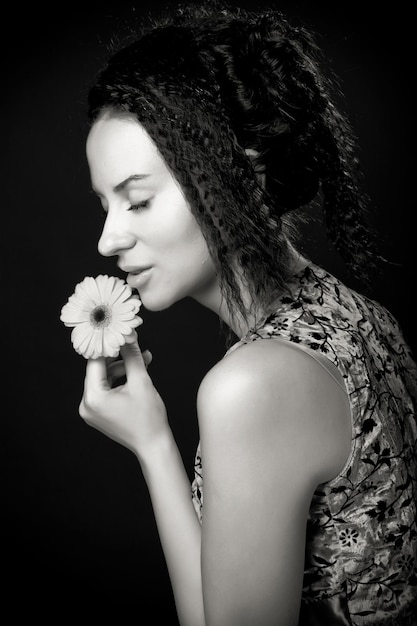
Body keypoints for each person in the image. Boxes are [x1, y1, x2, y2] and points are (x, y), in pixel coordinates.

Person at [77, 1, 417, 624]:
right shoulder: (363, 318)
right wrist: (152, 435)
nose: (108, 239)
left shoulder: (253, 385)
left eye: (139, 201)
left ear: (245, 176)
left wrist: (154, 445)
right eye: (105, 204)